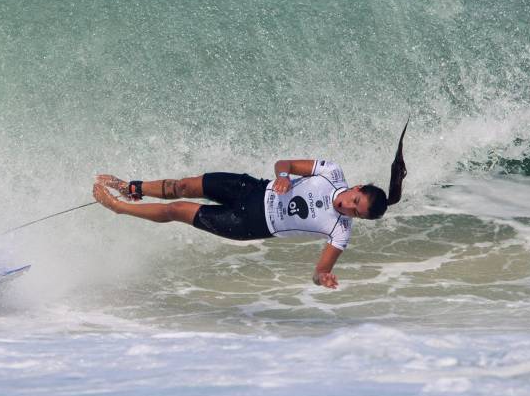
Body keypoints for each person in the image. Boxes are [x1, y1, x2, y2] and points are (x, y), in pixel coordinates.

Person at [93, 122, 408, 289]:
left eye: (355, 212)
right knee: (183, 185)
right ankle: (129, 187)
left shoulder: (340, 232)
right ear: (356, 187)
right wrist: (283, 177)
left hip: (248, 223)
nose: (347, 207)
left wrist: (321, 278)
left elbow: (319, 271)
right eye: (354, 200)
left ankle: (120, 207)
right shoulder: (331, 172)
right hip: (251, 188)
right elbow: (283, 163)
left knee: (179, 210)